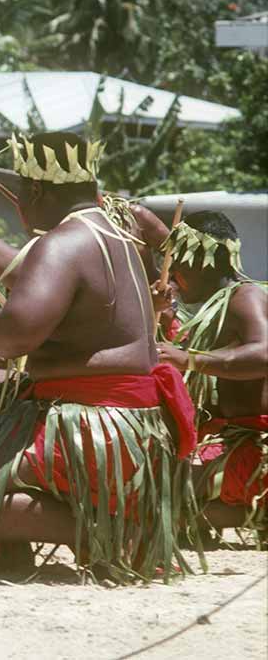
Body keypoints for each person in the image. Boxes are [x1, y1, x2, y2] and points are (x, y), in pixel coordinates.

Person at [0, 132, 196, 583]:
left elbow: (19, 329)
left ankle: (110, 533)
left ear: (35, 191)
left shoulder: (66, 242)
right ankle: (20, 543)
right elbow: (37, 277)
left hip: (95, 425)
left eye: (21, 192)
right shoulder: (110, 236)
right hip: (128, 424)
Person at [155, 211, 268, 534]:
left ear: (201, 262)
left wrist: (188, 359)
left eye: (176, 264)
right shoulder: (219, 308)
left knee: (157, 492)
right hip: (238, 444)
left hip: (257, 454)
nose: (172, 275)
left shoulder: (245, 297)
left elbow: (264, 353)